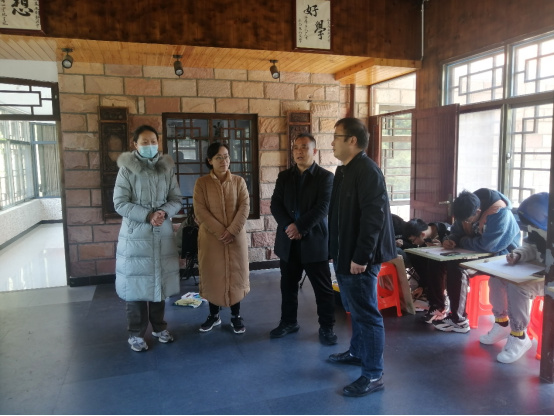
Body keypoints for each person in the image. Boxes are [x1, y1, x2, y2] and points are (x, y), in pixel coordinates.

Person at [327, 118, 397, 398]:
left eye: (336, 136)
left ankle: (373, 374)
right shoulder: (345, 170)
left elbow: (373, 218)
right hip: (345, 254)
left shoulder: (368, 170)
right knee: (355, 309)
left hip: (360, 258)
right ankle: (357, 352)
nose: (332, 142)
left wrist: (361, 257)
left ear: (352, 140)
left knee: (367, 315)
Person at [113, 125, 183, 352]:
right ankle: (135, 333)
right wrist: (147, 215)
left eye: (153, 141)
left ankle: (159, 327)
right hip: (136, 237)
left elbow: (176, 199)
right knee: (135, 286)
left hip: (161, 234)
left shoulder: (166, 168)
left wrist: (163, 212)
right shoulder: (127, 170)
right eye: (144, 142)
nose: (150, 145)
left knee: (158, 284)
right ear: (135, 144)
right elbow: (120, 203)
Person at [270, 133, 337, 345]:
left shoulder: (326, 177)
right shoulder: (284, 176)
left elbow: (323, 207)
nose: (299, 151)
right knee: (288, 286)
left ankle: (327, 327)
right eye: (296, 147)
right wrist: (289, 227)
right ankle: (288, 322)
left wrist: (300, 227)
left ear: (314, 151)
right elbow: (275, 204)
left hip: (314, 241)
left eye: (304, 147)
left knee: (322, 289)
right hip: (288, 241)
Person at [435, 189, 521, 334]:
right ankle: (437, 307)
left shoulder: (500, 213)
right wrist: (450, 240)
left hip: (502, 256)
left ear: (478, 211)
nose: (466, 223)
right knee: (438, 261)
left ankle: (459, 320)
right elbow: (456, 231)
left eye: (468, 220)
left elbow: (489, 246)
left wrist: (461, 241)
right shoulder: (467, 207)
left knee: (457, 266)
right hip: (475, 251)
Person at [480, 192, 548, 364]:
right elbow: (531, 247)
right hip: (536, 269)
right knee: (497, 278)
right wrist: (518, 254)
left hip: (549, 278)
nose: (529, 225)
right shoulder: (536, 226)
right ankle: (502, 323)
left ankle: (519, 335)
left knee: (519, 287)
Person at [193, 143, 250, 334]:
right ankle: (213, 315)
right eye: (218, 157)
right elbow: (200, 210)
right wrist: (220, 231)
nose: (223, 161)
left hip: (235, 238)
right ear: (209, 161)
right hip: (211, 239)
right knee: (213, 274)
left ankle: (236, 316)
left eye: (226, 156)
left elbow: (245, 206)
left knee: (236, 274)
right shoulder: (201, 183)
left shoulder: (239, 182)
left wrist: (232, 231)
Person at [403, 219, 452, 322]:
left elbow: (457, 247)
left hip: (451, 263)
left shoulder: (446, 230)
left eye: (413, 240)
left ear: (422, 234)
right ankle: (430, 297)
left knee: (434, 262)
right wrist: (422, 285)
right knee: (415, 257)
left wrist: (443, 246)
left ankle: (439, 305)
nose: (413, 243)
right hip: (436, 266)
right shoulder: (426, 236)